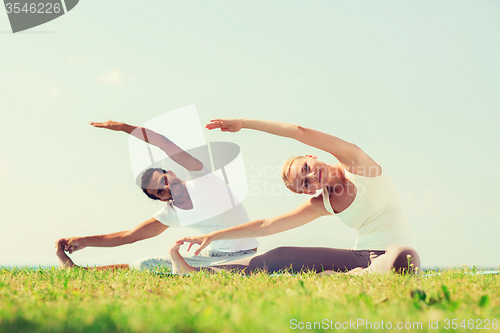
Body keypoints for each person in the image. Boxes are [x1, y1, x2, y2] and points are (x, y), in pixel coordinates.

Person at [173, 118, 420, 275]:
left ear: (310, 156)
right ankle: (196, 273)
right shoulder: (323, 203)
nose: (312, 176)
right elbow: (267, 226)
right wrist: (212, 235)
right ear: (309, 192)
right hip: (360, 256)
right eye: (305, 184)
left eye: (305, 168)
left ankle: (353, 276)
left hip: (393, 253)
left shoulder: (357, 164)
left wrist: (242, 123)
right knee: (279, 255)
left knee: (404, 256)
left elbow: (298, 131)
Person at [56, 120, 258, 270]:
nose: (167, 189)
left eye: (164, 181)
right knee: (146, 264)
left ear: (171, 173)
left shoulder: (201, 177)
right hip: (210, 256)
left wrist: (124, 128)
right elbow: (128, 236)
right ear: (161, 199)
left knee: (206, 272)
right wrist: (85, 240)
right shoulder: (171, 213)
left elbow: (163, 143)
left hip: (244, 254)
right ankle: (82, 272)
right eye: (161, 192)